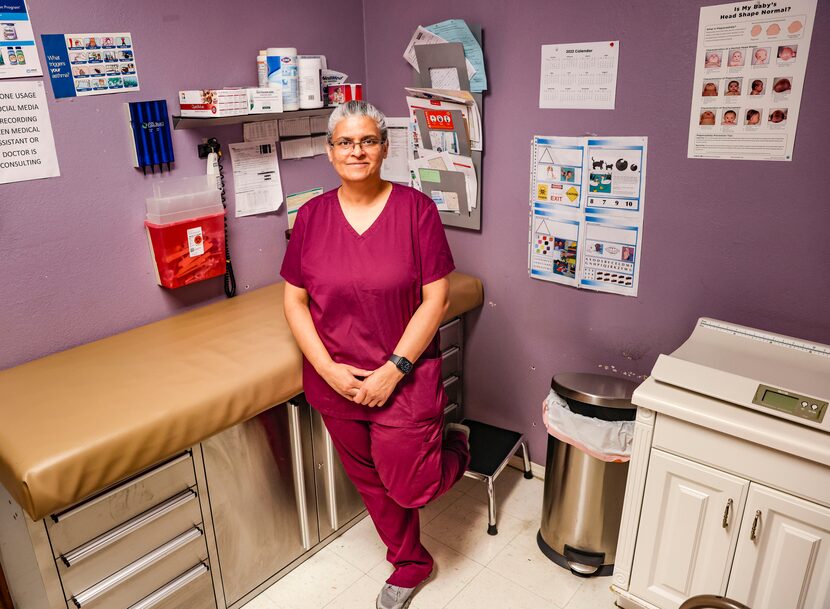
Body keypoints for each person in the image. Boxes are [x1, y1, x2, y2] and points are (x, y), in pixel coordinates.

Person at [281, 100, 470, 609]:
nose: (356, 151)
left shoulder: (415, 210)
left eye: (367, 141)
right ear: (329, 151)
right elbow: (294, 300)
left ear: (385, 148)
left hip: (402, 377)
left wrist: (394, 370)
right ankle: (410, 562)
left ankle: (456, 447)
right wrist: (327, 371)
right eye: (345, 142)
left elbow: (437, 298)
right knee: (370, 479)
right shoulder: (311, 216)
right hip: (334, 378)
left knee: (411, 486)